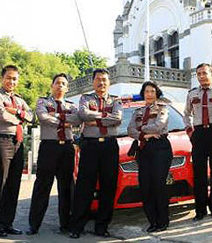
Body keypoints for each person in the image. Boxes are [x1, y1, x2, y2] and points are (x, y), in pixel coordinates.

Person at [69, 69, 123, 239]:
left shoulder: (116, 100)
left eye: (104, 80)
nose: (101, 83)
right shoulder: (86, 98)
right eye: (98, 79)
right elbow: (83, 114)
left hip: (109, 146)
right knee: (85, 186)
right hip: (90, 146)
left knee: (108, 186)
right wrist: (106, 116)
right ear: (93, 82)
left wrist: (95, 120)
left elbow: (118, 119)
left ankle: (102, 227)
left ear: (109, 82)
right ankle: (77, 226)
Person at [27, 73, 81, 235]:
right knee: (42, 186)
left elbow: (78, 119)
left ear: (67, 88)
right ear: (52, 85)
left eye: (64, 83)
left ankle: (66, 224)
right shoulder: (43, 102)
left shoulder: (72, 105)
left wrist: (56, 116)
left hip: (67, 148)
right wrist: (65, 120)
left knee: (66, 187)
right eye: (57, 83)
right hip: (49, 148)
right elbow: (43, 118)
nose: (60, 86)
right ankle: (34, 224)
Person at [0, 65, 33, 237]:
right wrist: (20, 117)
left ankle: (8, 222)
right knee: (0, 183)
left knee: (14, 184)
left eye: (14, 79)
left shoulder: (19, 100)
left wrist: (18, 112)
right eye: (8, 78)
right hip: (1, 141)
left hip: (18, 142)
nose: (11, 81)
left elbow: (31, 116)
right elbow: (1, 115)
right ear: (2, 78)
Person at [183, 63, 212, 221]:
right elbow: (186, 114)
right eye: (199, 74)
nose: (202, 76)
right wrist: (189, 130)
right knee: (199, 173)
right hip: (199, 133)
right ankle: (200, 210)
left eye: (204, 73)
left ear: (211, 73)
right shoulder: (192, 94)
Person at [128, 81, 172, 232]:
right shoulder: (137, 111)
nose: (149, 94)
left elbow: (159, 126)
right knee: (146, 185)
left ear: (156, 93)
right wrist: (145, 134)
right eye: (146, 91)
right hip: (144, 149)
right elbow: (129, 129)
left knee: (158, 185)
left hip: (160, 148)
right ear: (143, 93)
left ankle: (163, 221)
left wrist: (140, 130)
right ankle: (152, 221)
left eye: (152, 91)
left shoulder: (163, 109)